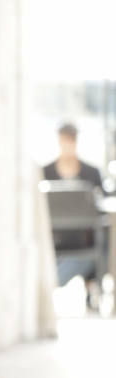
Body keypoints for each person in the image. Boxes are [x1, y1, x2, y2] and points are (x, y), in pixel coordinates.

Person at [43, 121, 109, 310]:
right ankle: (54, 281)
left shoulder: (91, 172)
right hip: (57, 239)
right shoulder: (46, 172)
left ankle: (59, 282)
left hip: (86, 238)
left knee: (102, 241)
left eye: (70, 141)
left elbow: (103, 202)